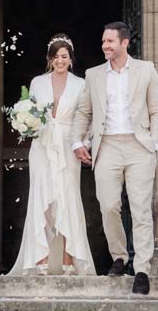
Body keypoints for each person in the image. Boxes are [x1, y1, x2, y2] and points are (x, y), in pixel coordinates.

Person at [71, 21, 158, 295]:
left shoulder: (146, 70)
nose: (105, 46)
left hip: (139, 146)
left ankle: (143, 269)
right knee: (109, 206)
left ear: (125, 43)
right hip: (107, 145)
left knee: (140, 208)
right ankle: (119, 257)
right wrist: (77, 141)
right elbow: (83, 112)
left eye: (110, 41)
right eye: (103, 41)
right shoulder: (94, 75)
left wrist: (153, 143)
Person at [10, 34, 95, 276]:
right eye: (56, 56)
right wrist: (26, 123)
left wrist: (84, 142)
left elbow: (85, 116)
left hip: (68, 144)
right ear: (50, 59)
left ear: (70, 59)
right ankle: (41, 258)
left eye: (64, 56)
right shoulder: (37, 82)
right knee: (42, 198)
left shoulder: (80, 84)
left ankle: (69, 259)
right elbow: (30, 109)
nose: (60, 60)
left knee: (67, 199)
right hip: (43, 145)